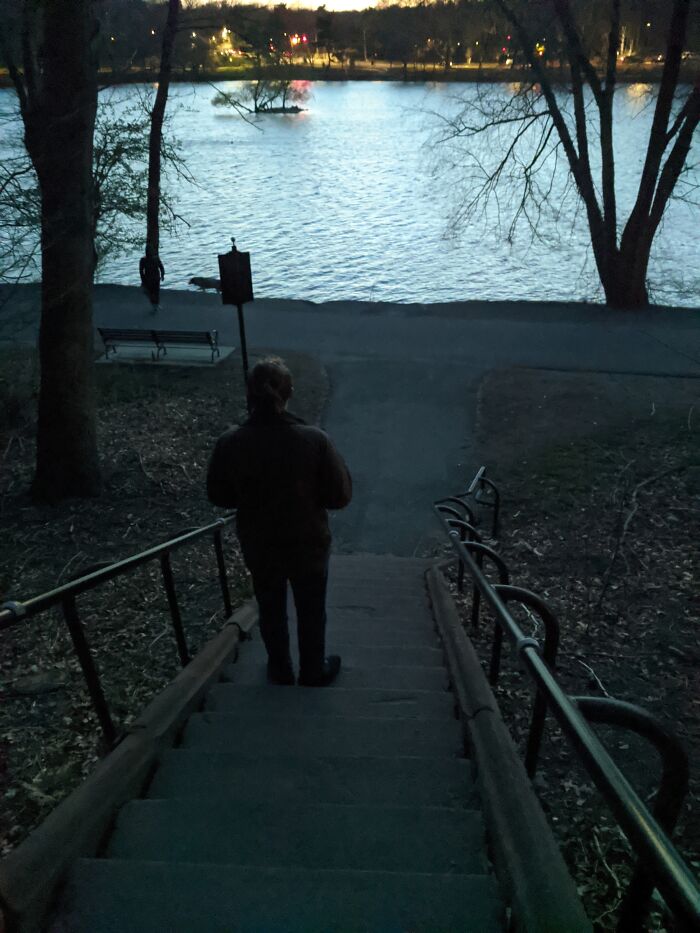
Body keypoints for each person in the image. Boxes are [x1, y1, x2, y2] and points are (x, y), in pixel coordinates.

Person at [207, 357, 352, 687]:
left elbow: (219, 495)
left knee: (269, 605)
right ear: (289, 392)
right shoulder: (314, 440)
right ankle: (313, 668)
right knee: (311, 605)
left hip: (259, 541)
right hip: (308, 540)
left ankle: (280, 667)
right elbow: (340, 496)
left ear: (249, 394)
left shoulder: (230, 442)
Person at [139, 244, 165, 314]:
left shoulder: (146, 259)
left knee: (153, 292)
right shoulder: (145, 259)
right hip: (152, 278)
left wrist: (162, 275)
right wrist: (162, 275)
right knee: (153, 292)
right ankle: (155, 304)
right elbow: (161, 267)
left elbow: (141, 271)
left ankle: (155, 305)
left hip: (152, 278)